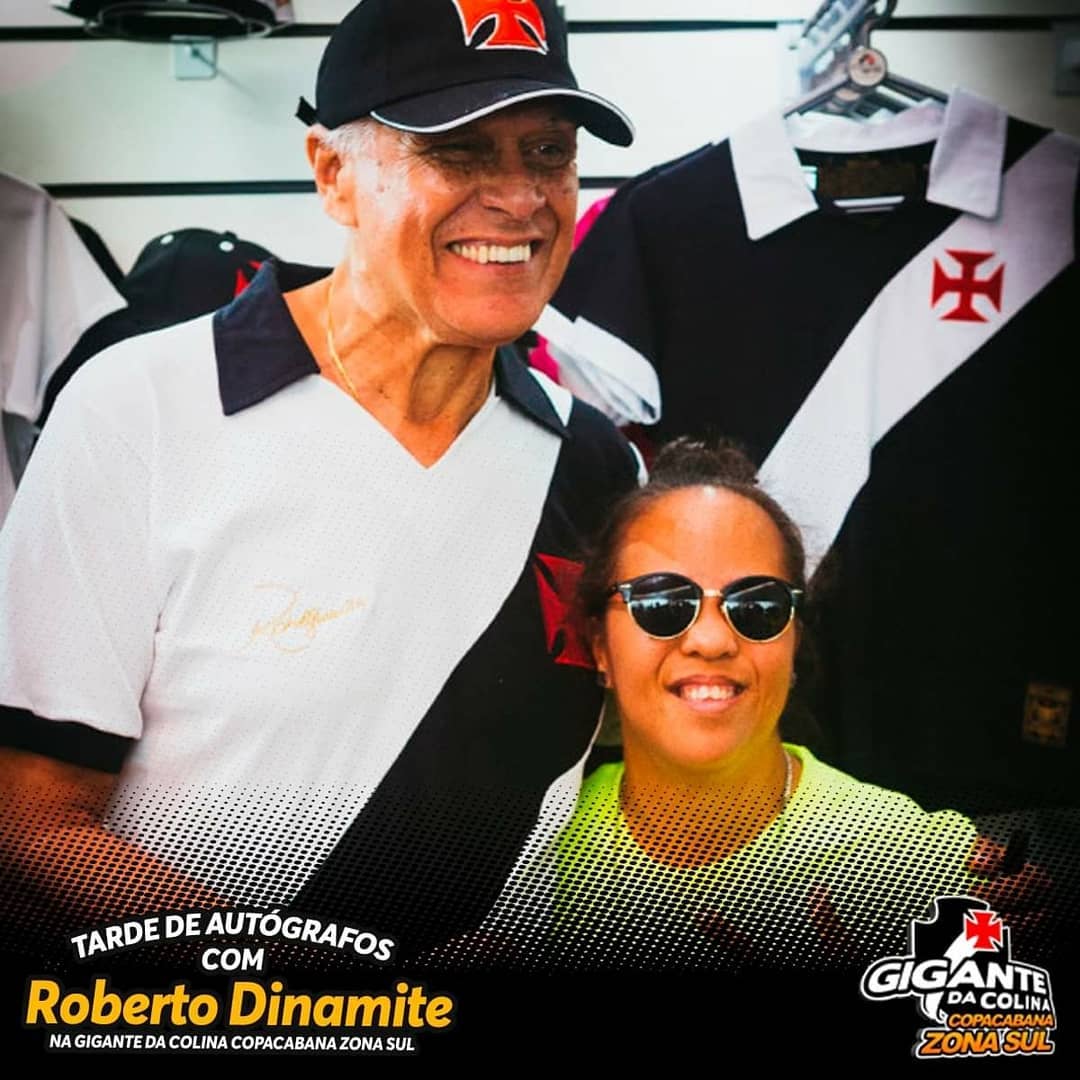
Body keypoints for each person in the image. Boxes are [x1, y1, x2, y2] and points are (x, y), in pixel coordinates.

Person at [0, 0, 641, 963]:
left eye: (548, 152)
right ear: (334, 175)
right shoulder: (141, 407)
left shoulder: (595, 463)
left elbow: (626, 794)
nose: (520, 198)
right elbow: (29, 816)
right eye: (459, 151)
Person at [542, 437, 1026, 971]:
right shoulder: (533, 844)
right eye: (662, 602)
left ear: (794, 642)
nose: (711, 640)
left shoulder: (911, 861)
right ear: (599, 646)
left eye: (758, 606)